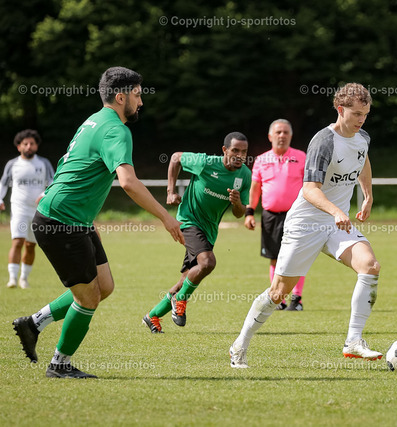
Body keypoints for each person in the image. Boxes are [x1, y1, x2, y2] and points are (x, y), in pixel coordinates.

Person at [11, 66, 184, 379]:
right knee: (88, 297)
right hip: (61, 221)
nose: (141, 102)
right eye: (137, 95)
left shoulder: (94, 120)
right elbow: (128, 182)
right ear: (121, 97)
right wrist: (166, 218)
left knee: (103, 286)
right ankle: (59, 364)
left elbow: (71, 163)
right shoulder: (117, 130)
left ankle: (33, 323)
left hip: (75, 219)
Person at [230, 83, 382, 368]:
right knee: (279, 293)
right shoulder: (324, 141)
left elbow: (363, 161)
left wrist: (368, 196)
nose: (361, 120)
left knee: (370, 266)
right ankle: (239, 345)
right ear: (340, 110)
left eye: (365, 114)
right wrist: (336, 211)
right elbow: (310, 189)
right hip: (306, 222)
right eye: (356, 114)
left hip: (335, 223)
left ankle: (353, 341)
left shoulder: (362, 137)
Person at [142, 132, 251, 333]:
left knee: (187, 278)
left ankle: (152, 316)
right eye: (235, 150)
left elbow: (239, 213)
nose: (240, 155)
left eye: (244, 152)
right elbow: (175, 158)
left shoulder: (244, 175)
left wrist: (236, 203)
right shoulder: (206, 162)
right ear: (225, 150)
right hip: (189, 220)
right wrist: (170, 192)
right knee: (207, 263)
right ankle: (180, 299)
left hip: (209, 230)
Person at [244, 119, 306, 311]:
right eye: (278, 132)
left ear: (291, 136)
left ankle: (297, 299)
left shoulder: (301, 157)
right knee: (274, 258)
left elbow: (310, 187)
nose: (282, 136)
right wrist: (249, 212)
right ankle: (278, 299)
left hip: (296, 216)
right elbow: (255, 188)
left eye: (286, 132)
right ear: (270, 136)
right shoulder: (261, 160)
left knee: (297, 257)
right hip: (270, 216)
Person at [0, 129, 55, 289]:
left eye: (32, 143)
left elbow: (53, 181)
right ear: (19, 146)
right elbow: (3, 183)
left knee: (31, 245)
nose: (29, 146)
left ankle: (24, 278)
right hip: (19, 209)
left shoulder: (43, 163)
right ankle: (12, 279)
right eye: (25, 144)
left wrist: (44, 194)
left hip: (38, 210)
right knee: (18, 241)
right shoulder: (13, 164)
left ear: (36, 146)